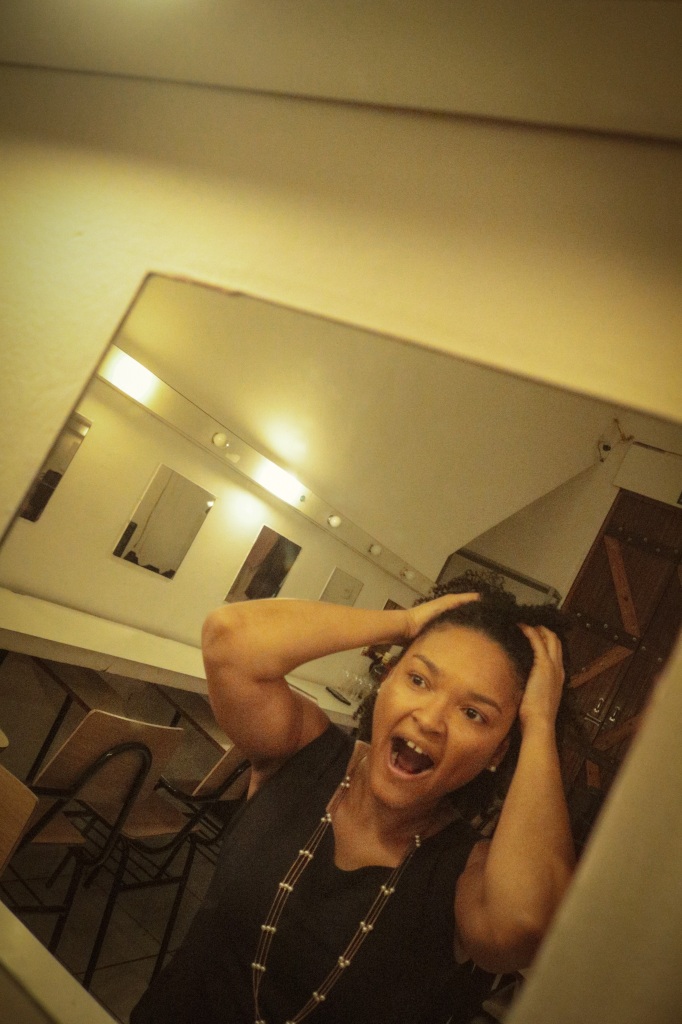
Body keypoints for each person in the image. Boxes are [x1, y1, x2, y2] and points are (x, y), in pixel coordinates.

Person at [131, 585, 575, 1024]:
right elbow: (229, 639)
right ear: (387, 678)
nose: (430, 719)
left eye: (473, 713)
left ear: (498, 753)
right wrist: (403, 622)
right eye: (418, 680)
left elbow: (520, 927)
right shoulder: (301, 750)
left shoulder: (467, 871)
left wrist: (539, 724)